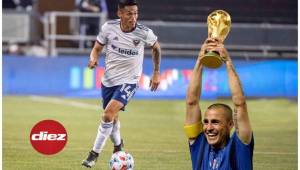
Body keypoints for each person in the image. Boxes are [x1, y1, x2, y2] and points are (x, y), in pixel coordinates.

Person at [82, 0, 161, 168]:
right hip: (109, 81)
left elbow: (156, 48)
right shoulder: (109, 28)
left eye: (136, 13)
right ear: (120, 14)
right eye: (129, 14)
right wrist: (93, 59)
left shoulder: (144, 32)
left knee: (107, 114)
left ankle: (93, 154)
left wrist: (155, 72)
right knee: (113, 119)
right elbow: (97, 48)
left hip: (130, 81)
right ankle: (118, 145)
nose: (133, 17)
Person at [184, 38, 254, 170]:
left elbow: (240, 104)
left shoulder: (239, 149)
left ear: (230, 124)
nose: (208, 128)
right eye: (206, 121)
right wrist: (200, 60)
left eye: (215, 122)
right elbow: (191, 102)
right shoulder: (199, 146)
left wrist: (227, 62)